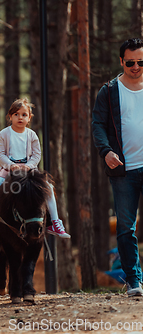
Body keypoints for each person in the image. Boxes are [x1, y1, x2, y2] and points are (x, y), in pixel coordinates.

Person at [0, 98, 70, 239]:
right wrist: (10, 165)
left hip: (28, 170)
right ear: (10, 117)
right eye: (16, 114)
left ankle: (54, 222)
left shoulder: (32, 135)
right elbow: (0, 154)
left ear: (29, 117)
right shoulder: (4, 134)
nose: (20, 117)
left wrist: (29, 166)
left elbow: (37, 154)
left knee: (48, 187)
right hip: (7, 168)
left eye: (24, 115)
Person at [92, 38, 143, 297]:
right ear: (122, 61)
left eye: (141, 62)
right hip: (124, 171)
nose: (136, 67)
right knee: (125, 228)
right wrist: (106, 151)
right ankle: (134, 281)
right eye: (131, 62)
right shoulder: (109, 90)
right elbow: (98, 125)